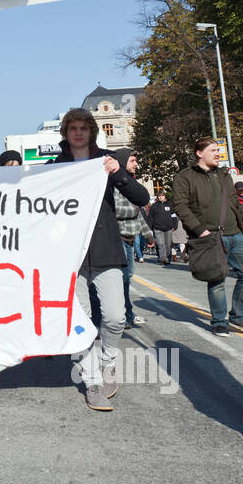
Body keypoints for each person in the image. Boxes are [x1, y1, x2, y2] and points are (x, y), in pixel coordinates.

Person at [53, 108, 149, 411]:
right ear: (66, 133)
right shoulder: (56, 165)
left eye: (84, 128)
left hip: (106, 247)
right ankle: (92, 380)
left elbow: (142, 197)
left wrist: (117, 172)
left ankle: (108, 361)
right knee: (78, 321)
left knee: (115, 316)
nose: (78, 133)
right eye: (73, 128)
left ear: (92, 131)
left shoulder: (107, 160)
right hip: (70, 254)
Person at [171, 138, 243, 337]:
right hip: (208, 237)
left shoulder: (224, 174)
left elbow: (236, 204)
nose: (217, 153)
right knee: (216, 279)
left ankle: (240, 318)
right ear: (199, 153)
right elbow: (181, 206)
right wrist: (199, 229)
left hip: (235, 233)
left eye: (218, 150)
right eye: (213, 150)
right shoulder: (185, 177)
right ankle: (219, 321)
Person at [111, 149, 150, 328]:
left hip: (129, 238)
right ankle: (124, 315)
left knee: (126, 279)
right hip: (118, 237)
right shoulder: (116, 183)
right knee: (121, 280)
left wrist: (148, 234)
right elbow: (115, 209)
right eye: (133, 160)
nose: (136, 164)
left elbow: (138, 214)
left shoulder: (130, 183)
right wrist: (133, 210)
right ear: (123, 161)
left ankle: (127, 314)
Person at [148, 192, 178, 265]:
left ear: (165, 197)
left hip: (168, 228)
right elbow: (150, 217)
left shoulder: (169, 205)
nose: (161, 197)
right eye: (159, 196)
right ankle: (163, 259)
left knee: (168, 245)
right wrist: (150, 227)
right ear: (157, 197)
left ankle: (168, 257)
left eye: (162, 196)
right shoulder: (154, 206)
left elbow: (174, 216)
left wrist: (174, 226)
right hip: (157, 228)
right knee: (160, 244)